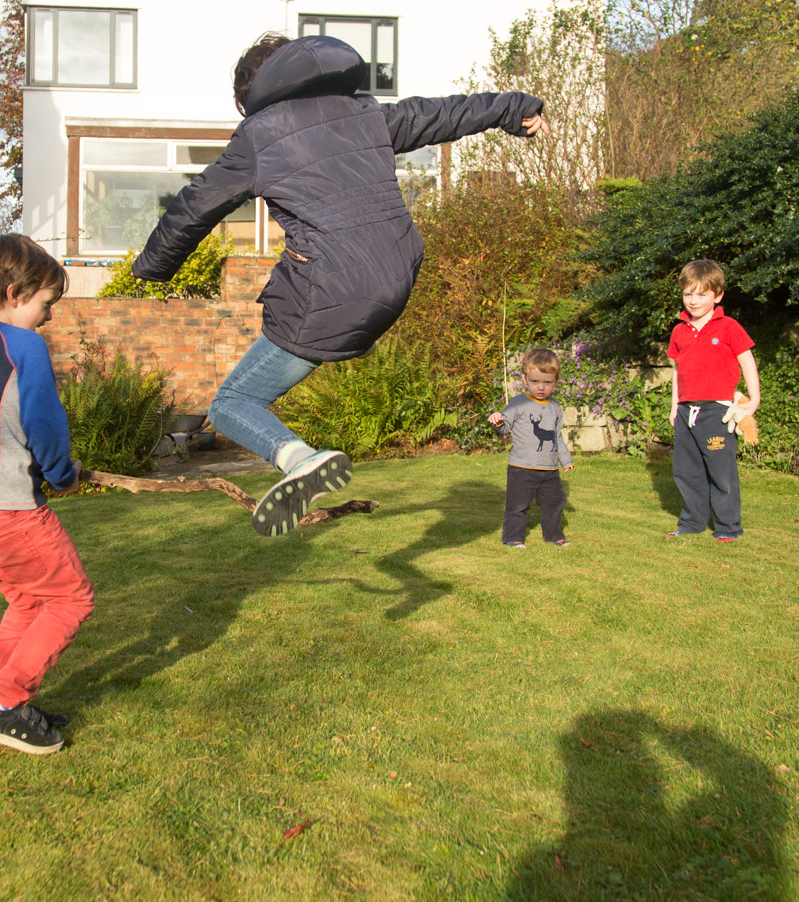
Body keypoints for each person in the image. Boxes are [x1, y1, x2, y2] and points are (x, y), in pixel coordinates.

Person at [132, 31, 548, 535]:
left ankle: (299, 459)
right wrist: (515, 109)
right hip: (398, 271)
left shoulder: (260, 135)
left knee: (230, 404)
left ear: (255, 92)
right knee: (310, 293)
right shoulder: (366, 113)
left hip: (330, 291)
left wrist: (152, 268)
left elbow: (194, 206)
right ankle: (304, 453)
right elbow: (443, 113)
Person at [0, 234, 94, 753]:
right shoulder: (22, 345)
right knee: (70, 599)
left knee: (27, 601)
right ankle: (6, 705)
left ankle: (3, 701)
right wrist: (63, 475)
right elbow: (44, 424)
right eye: (45, 304)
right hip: (10, 510)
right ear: (14, 292)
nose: (47, 317)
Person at [666, 258, 760, 543]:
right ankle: (692, 523)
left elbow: (747, 361)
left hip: (717, 413)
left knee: (722, 473)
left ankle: (727, 528)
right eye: (688, 294)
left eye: (701, 294)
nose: (693, 300)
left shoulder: (729, 327)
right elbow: (677, 372)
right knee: (687, 472)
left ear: (717, 296)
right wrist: (674, 407)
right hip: (686, 412)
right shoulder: (679, 330)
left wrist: (753, 399)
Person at [488, 344, 574, 547]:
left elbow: (556, 437)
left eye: (547, 382)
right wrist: (498, 421)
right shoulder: (518, 403)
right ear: (525, 379)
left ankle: (554, 536)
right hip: (522, 468)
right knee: (518, 505)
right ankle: (513, 538)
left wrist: (566, 461)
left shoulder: (555, 407)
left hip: (550, 469)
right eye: (535, 382)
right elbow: (505, 428)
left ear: (556, 382)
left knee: (555, 503)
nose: (541, 387)